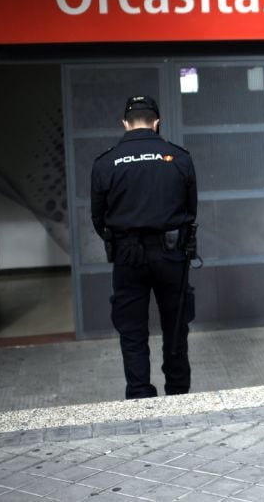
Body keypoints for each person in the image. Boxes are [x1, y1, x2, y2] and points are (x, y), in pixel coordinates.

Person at [91, 95, 198, 400]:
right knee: (176, 326)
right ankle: (178, 393)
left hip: (128, 255)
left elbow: (98, 219)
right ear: (156, 122)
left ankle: (139, 395)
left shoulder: (106, 162)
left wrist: (124, 240)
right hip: (171, 253)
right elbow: (191, 211)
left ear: (125, 124)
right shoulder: (179, 158)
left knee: (132, 330)